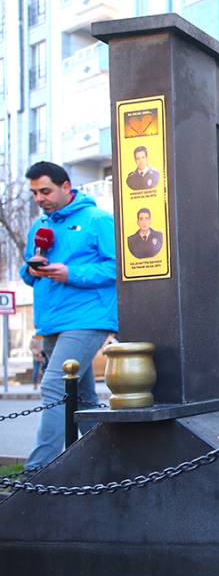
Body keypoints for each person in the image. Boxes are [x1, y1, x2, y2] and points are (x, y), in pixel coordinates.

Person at [19, 162, 117, 477]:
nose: (39, 198)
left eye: (45, 190)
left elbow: (118, 267)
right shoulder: (39, 227)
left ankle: (38, 470)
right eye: (34, 192)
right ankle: (98, 468)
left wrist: (70, 273)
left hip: (89, 316)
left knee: (53, 387)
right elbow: (27, 273)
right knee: (82, 397)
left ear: (65, 186)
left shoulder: (98, 220)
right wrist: (32, 270)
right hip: (52, 320)